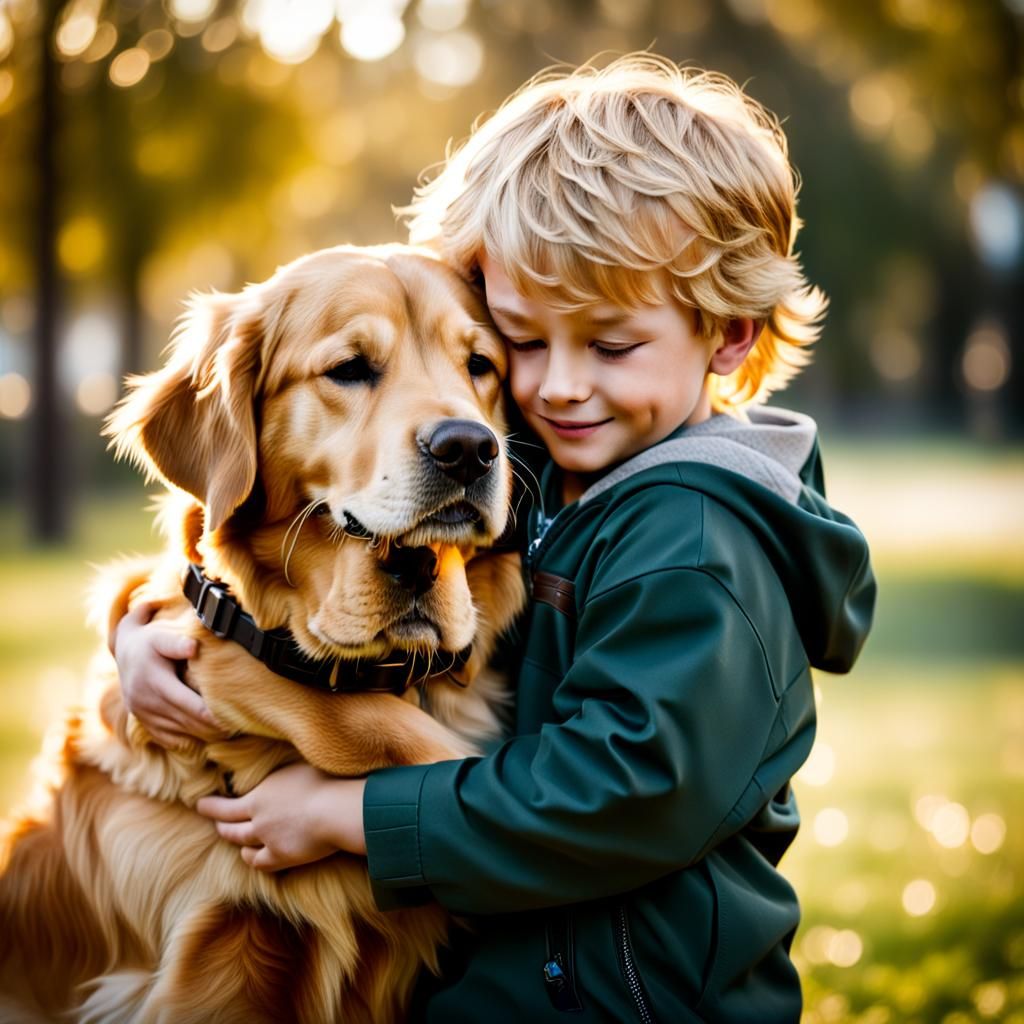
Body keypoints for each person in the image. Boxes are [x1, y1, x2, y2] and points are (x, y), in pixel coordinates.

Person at [114, 55, 875, 1022]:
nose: (555, 386)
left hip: (627, 1003)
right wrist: (145, 631)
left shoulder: (695, 534)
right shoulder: (561, 474)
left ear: (727, 336)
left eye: (608, 345)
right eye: (516, 340)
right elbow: (265, 570)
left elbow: (624, 792)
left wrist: (354, 815)